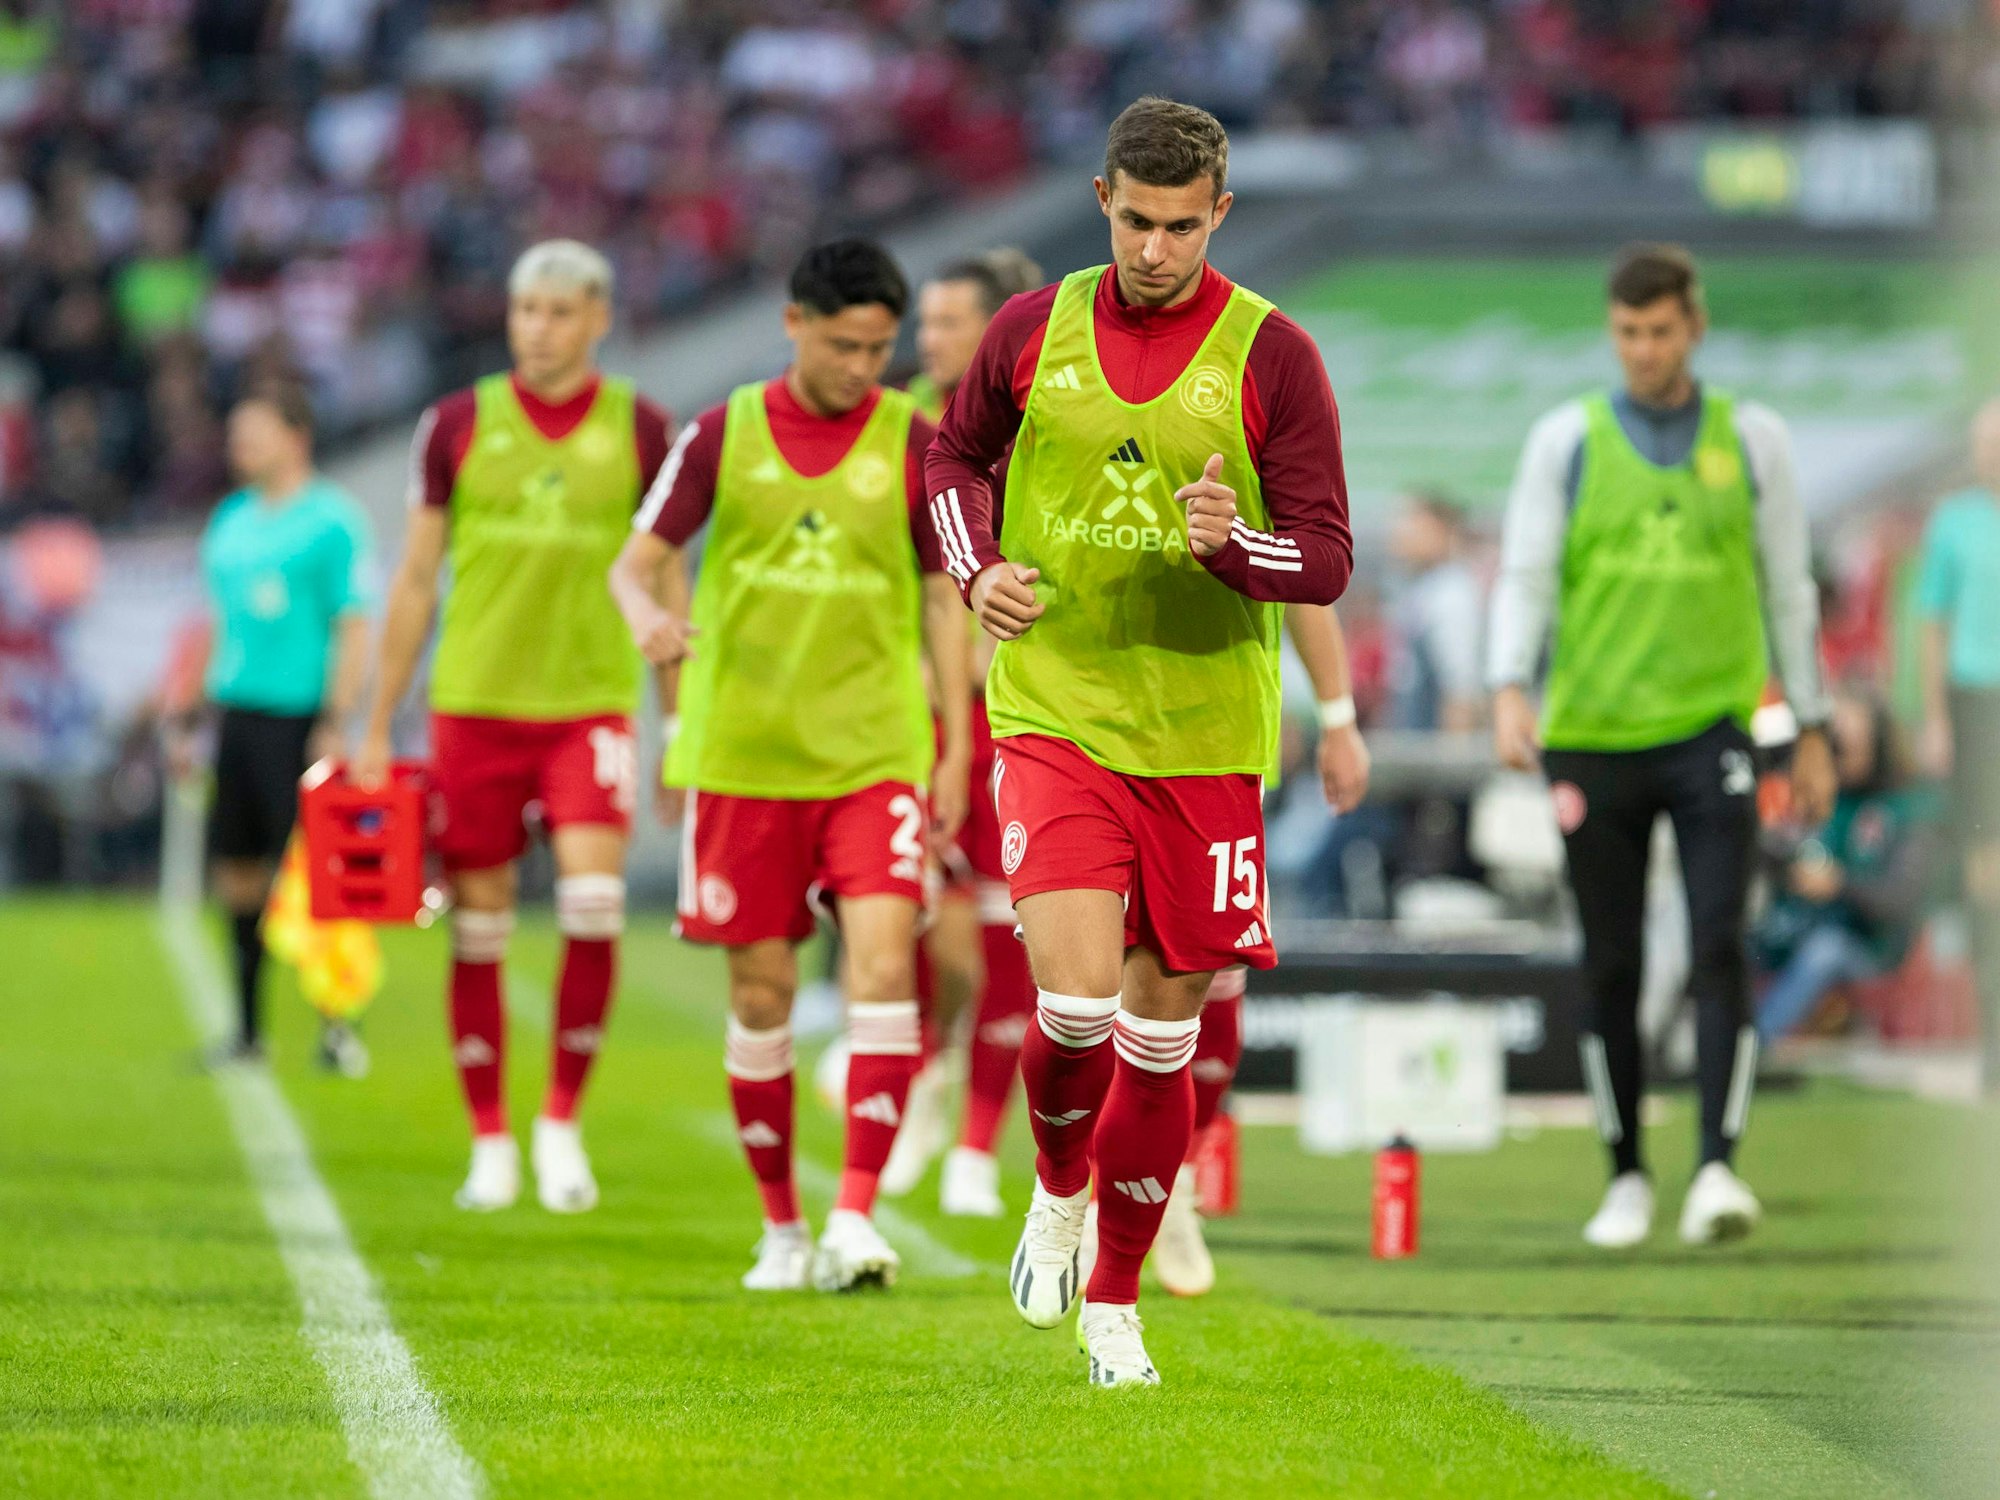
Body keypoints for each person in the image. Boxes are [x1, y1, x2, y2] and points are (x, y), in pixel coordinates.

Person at [926, 96, 1352, 1386]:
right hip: (1057, 706)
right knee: (1070, 1000)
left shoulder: (1272, 355)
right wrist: (975, 567)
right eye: (1134, 221)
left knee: (1162, 1035)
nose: (1154, 249)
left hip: (1207, 734)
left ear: (1217, 215)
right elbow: (951, 457)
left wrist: (1235, 547)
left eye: (1180, 226)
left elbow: (1324, 557)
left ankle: (1114, 1303)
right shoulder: (1029, 328)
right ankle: (1057, 1190)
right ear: (1100, 200)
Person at [608, 239, 972, 1293]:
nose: (862, 366)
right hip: (743, 758)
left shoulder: (914, 442)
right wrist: (646, 623)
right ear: (793, 325)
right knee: (762, 997)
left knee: (881, 969)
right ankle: (780, 1229)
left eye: (877, 348)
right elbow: (635, 568)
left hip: (873, 753)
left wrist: (950, 745)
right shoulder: (721, 434)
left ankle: (854, 1215)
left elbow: (946, 596)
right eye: (843, 344)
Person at [1486, 242, 1835, 1251]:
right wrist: (1507, 684)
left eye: (1660, 330)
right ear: (1613, 331)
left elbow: (1788, 589)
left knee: (1719, 941)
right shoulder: (1568, 441)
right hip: (1590, 735)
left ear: (1695, 326)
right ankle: (1625, 1174)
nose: (1642, 350)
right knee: (1608, 962)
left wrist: (1807, 726)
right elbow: (1524, 574)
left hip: (1712, 731)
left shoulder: (1750, 439)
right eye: (1627, 333)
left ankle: (1717, 1168)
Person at [352, 240, 673, 1215]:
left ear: (597, 318)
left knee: (592, 904)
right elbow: (413, 579)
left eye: (558, 311)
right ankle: (489, 1136)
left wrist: (679, 721)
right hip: (474, 708)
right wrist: (376, 725)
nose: (537, 328)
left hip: (585, 706)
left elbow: (665, 576)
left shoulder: (642, 429)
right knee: (479, 928)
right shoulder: (455, 423)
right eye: (524, 310)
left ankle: (561, 1121)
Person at [1079, 601, 1372, 1297]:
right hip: (1098, 736)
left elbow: (1305, 571)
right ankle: (1091, 1194)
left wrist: (1337, 718)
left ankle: (1176, 1184)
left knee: (1213, 978)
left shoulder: (1250, 485)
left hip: (1221, 744)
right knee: (1094, 984)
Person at [878, 247, 1047, 1219]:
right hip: (907, 715)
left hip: (1003, 712)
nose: (928, 340)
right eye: (926, 323)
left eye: (949, 324)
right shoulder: (897, 427)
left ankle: (976, 1143)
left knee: (998, 933)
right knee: (914, 933)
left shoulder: (1031, 431)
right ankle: (920, 1085)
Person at [172, 383, 374, 1071]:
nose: (240, 447)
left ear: (297, 437)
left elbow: (352, 624)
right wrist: (190, 709)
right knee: (238, 874)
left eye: (253, 432)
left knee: (319, 877)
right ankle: (248, 1032)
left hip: (300, 720)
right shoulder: (230, 521)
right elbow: (218, 623)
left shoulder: (332, 521)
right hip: (239, 716)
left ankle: (338, 1026)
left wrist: (336, 719)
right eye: (236, 435)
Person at [1753, 689, 1940, 1043]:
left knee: (1826, 949)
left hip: (1872, 946)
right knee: (1741, 934)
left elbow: (1901, 898)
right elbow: (1785, 851)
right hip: (1801, 926)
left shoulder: (1909, 807)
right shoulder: (1827, 798)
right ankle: (1705, 1040)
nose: (1839, 746)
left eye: (1852, 735)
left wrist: (1839, 884)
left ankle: (1757, 1042)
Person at [1915, 397, 2000, 1093]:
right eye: (1985, 443)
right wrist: (1937, 719)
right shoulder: (1955, 522)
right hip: (1977, 703)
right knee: (1986, 873)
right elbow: (1931, 625)